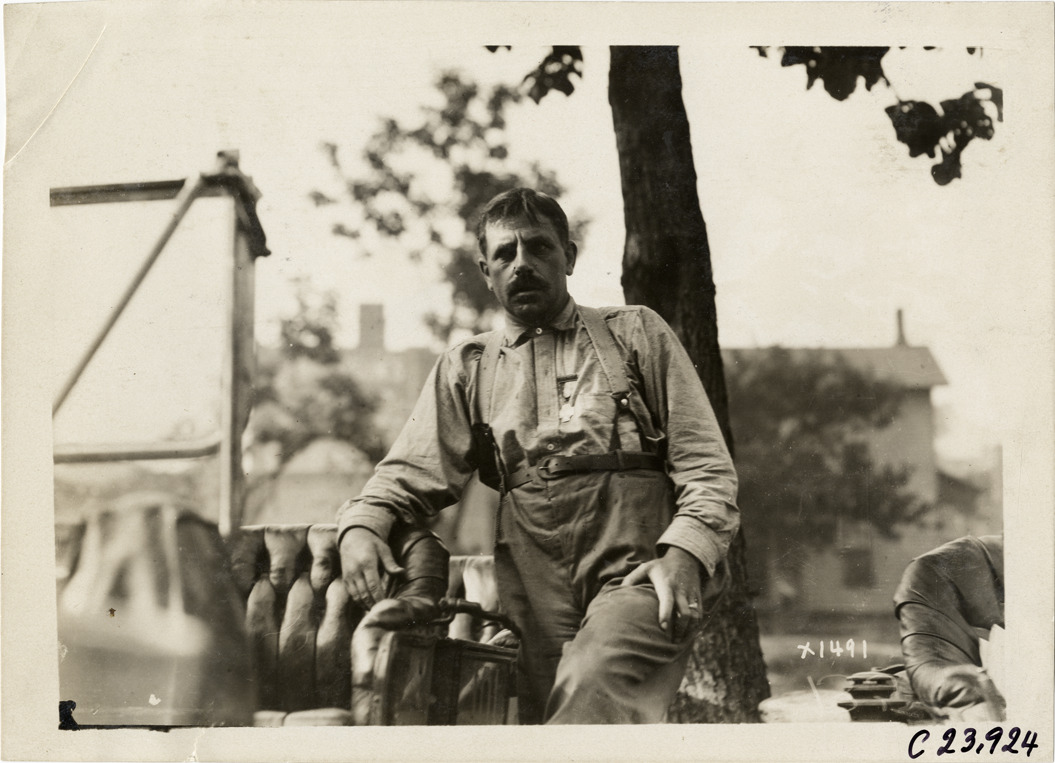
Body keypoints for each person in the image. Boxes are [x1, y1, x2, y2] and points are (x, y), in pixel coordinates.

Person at [337, 188, 739, 724]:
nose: (522, 264)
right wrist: (362, 525)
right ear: (486, 271)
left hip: (640, 566)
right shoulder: (468, 366)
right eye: (505, 254)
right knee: (545, 715)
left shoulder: (634, 332)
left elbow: (706, 466)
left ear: (568, 256)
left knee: (593, 680)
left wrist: (685, 555)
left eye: (539, 247)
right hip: (533, 576)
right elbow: (409, 473)